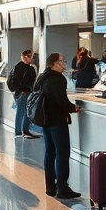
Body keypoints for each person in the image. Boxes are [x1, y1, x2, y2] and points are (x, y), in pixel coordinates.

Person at [35, 53, 82, 199]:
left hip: (45, 120)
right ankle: (62, 187)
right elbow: (61, 100)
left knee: (50, 153)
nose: (64, 64)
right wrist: (72, 108)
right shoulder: (58, 79)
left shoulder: (42, 77)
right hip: (57, 121)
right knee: (62, 153)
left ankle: (50, 187)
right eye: (62, 61)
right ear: (54, 63)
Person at [9, 50, 40, 139]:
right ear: (23, 56)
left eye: (31, 56)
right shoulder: (20, 68)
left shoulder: (29, 68)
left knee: (27, 112)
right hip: (23, 93)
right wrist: (17, 91)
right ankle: (20, 131)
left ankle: (24, 131)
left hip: (26, 92)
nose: (31, 58)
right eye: (29, 56)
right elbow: (12, 81)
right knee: (22, 112)